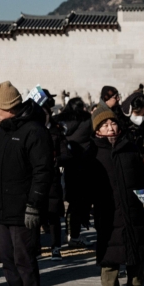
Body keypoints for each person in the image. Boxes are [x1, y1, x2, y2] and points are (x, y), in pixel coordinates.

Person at [0, 81, 53, 286]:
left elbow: (43, 171)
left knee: (24, 257)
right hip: (5, 206)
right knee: (6, 256)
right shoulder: (1, 131)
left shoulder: (35, 131)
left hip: (25, 208)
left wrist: (34, 204)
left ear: (9, 107)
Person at [86, 104, 144, 286]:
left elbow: (141, 178)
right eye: (105, 124)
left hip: (132, 208)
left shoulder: (129, 147)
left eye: (112, 122)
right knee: (109, 255)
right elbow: (86, 183)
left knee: (136, 249)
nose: (110, 127)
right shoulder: (93, 152)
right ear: (97, 130)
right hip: (107, 210)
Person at [55, 97, 92, 247]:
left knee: (71, 201)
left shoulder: (59, 120)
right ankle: (73, 235)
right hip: (83, 164)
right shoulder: (87, 120)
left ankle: (69, 234)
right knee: (78, 202)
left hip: (66, 164)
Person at [40, 89, 69, 261]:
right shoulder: (32, 132)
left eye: (45, 114)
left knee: (53, 216)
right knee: (36, 215)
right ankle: (36, 247)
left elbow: (66, 154)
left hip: (52, 178)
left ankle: (56, 247)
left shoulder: (57, 132)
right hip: (35, 179)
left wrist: (57, 160)